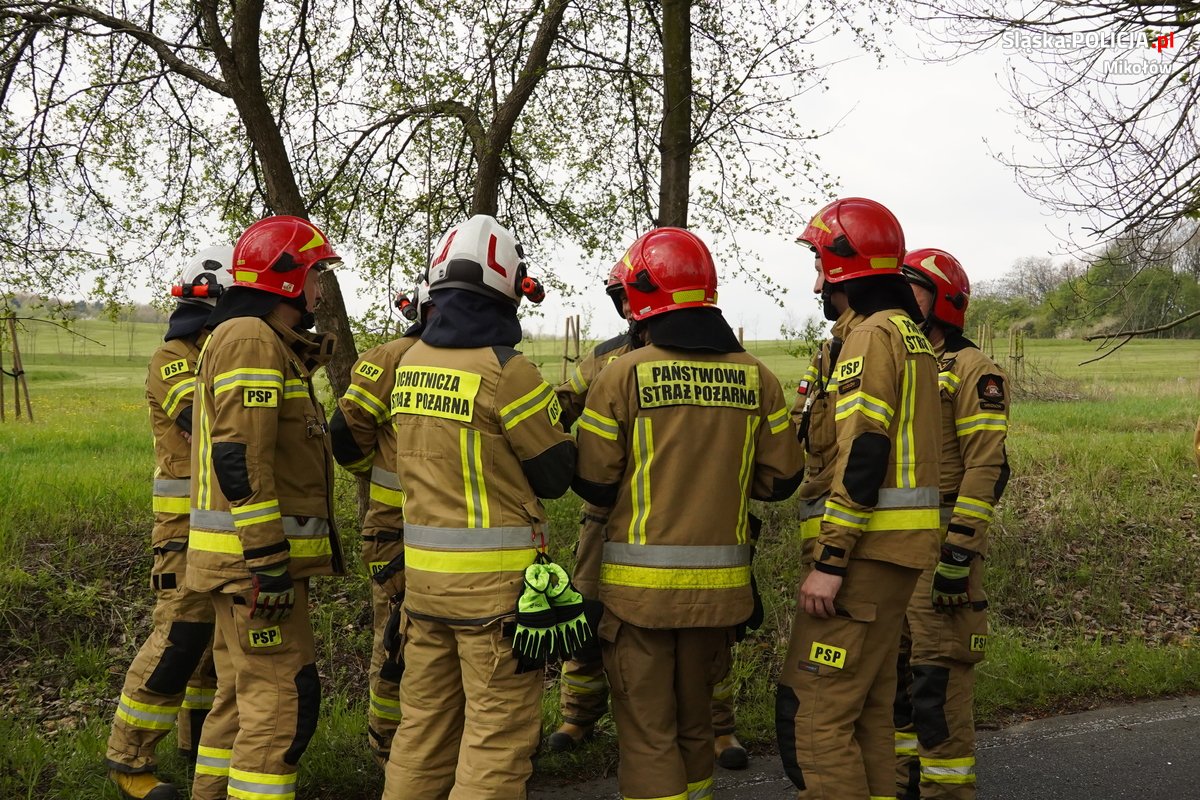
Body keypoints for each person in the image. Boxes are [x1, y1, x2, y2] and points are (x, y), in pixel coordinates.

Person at [573, 227, 804, 800]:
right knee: (697, 723)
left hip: (637, 600)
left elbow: (594, 480)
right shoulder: (758, 377)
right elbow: (782, 480)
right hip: (719, 597)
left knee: (649, 733)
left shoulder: (622, 374)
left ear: (643, 296)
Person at [380, 214, 576, 800]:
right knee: (496, 737)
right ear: (509, 290)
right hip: (495, 598)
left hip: (425, 591)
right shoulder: (508, 372)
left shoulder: (411, 363)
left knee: (423, 730)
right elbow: (555, 475)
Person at [549, 261, 752, 770]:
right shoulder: (606, 359)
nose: (625, 306)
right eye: (617, 296)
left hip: (699, 519)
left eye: (628, 294)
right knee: (587, 615)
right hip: (607, 520)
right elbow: (563, 406)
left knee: (711, 629)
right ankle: (578, 715)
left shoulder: (720, 359)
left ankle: (719, 726)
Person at [775, 197, 942, 800]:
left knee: (817, 717)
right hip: (895, 558)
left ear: (844, 267)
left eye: (820, 266)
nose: (817, 283)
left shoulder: (870, 337)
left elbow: (864, 452)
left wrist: (831, 559)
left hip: (862, 560)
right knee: (869, 710)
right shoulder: (909, 335)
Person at [186, 215, 344, 800]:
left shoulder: (257, 337)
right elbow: (241, 457)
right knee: (282, 706)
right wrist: (269, 561)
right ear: (287, 278)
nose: (320, 288)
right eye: (316, 274)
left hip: (239, 565)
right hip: (253, 568)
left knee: (238, 701)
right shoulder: (251, 338)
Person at [105, 247, 232, 800]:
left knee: (212, 645)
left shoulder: (220, 352)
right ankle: (128, 758)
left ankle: (195, 741)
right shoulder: (174, 357)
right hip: (183, 528)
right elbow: (206, 421)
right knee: (179, 637)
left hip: (222, 524)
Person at [893, 248, 1010, 799]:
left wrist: (959, 552)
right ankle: (899, 783)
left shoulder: (973, 370)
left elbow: (986, 468)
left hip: (941, 542)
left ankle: (947, 790)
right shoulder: (903, 359)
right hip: (893, 545)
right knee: (894, 674)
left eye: (912, 287)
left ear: (942, 299)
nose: (901, 296)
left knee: (936, 675)